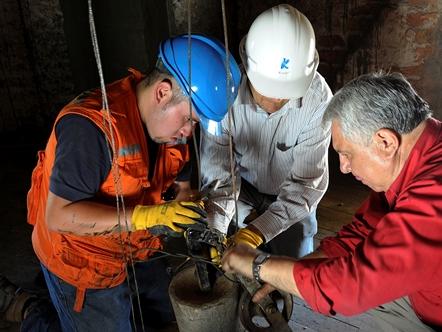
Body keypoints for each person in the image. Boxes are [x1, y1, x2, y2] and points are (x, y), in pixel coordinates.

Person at [23, 34, 241, 331]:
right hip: (81, 261)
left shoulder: (169, 131)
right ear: (163, 93)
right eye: (190, 119)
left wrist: (195, 219)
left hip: (136, 246)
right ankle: (33, 314)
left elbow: (184, 188)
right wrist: (146, 216)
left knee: (162, 311)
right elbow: (59, 215)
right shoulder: (90, 129)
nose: (189, 132)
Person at [222, 72, 442, 331]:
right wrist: (295, 268)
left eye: (346, 154)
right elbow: (363, 231)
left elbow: (350, 287)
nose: (344, 168)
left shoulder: (434, 197)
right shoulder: (419, 157)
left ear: (385, 142)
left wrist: (256, 265)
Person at [200, 4, 332, 258]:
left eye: (285, 94)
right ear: (248, 69)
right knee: (231, 266)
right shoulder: (223, 92)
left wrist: (258, 231)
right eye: (267, 89)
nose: (276, 101)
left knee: (292, 268)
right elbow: (218, 172)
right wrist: (215, 228)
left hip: (294, 197)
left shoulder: (318, 100)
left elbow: (306, 184)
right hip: (241, 189)